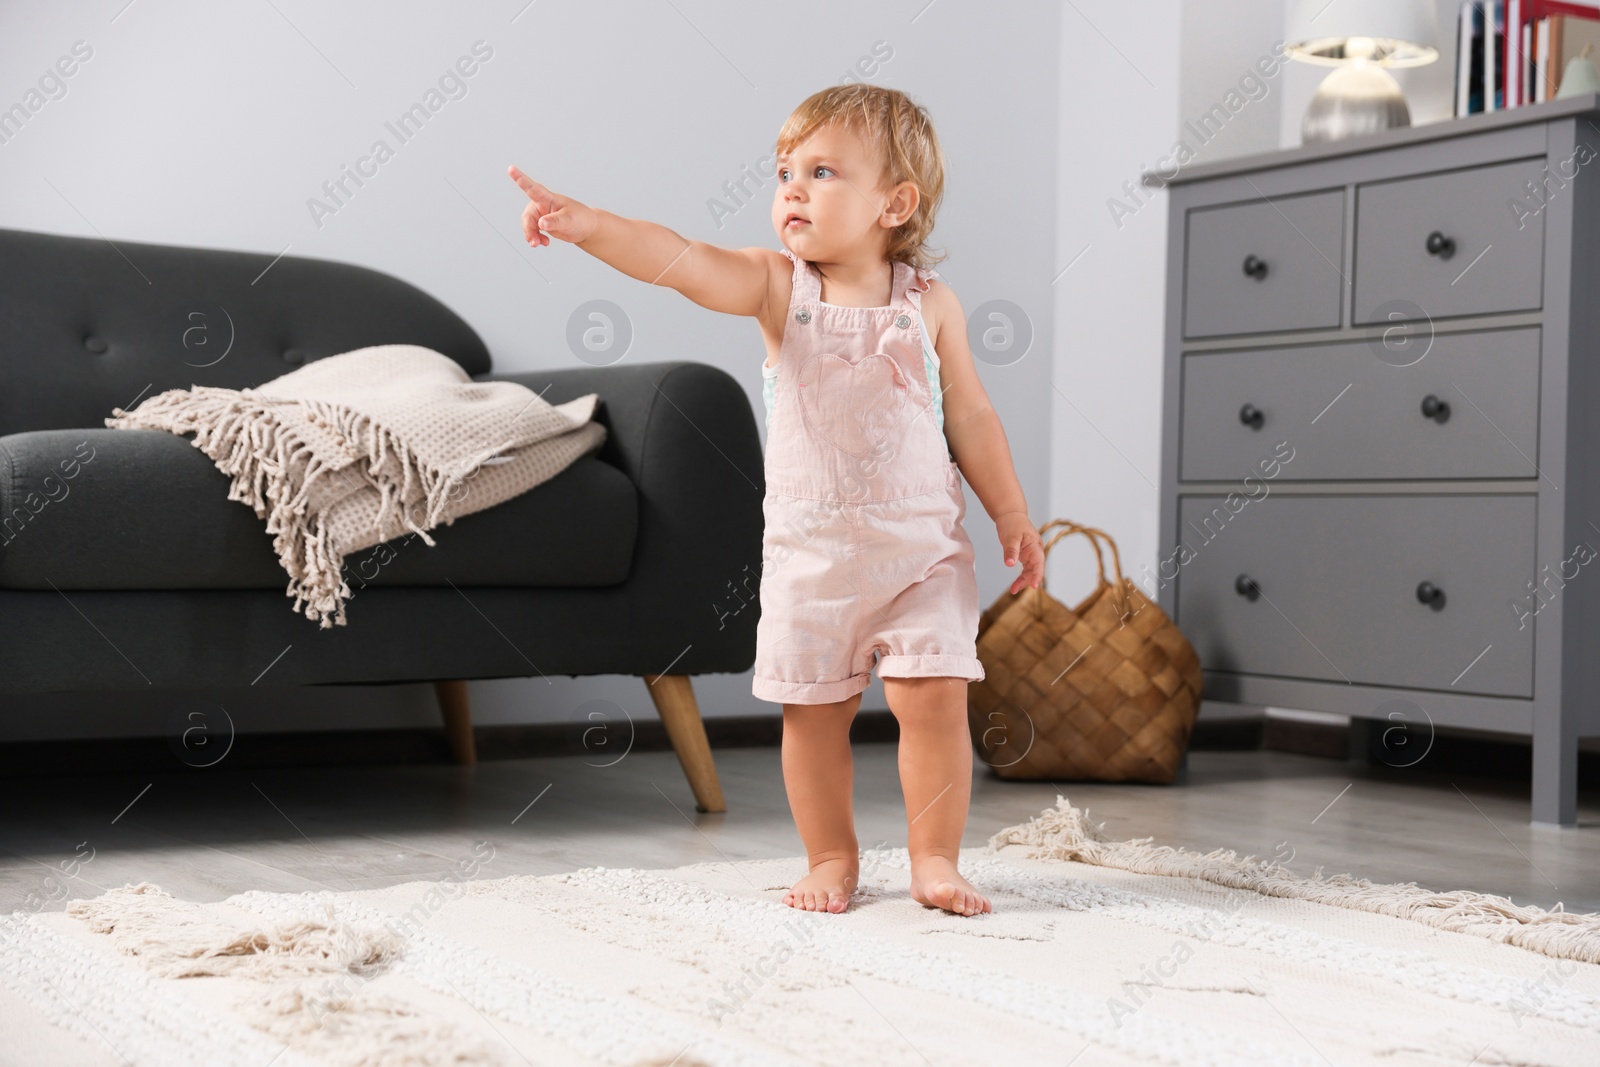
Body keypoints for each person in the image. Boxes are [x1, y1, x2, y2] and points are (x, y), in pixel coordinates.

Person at [507, 83, 1044, 917]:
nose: (791, 188)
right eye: (784, 169)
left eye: (822, 170)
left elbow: (969, 412)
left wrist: (1009, 509)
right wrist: (592, 227)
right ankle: (831, 855)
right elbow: (678, 259)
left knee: (934, 699)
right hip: (814, 559)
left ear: (894, 203)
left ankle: (936, 859)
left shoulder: (929, 303)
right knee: (814, 716)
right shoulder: (777, 287)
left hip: (924, 554)